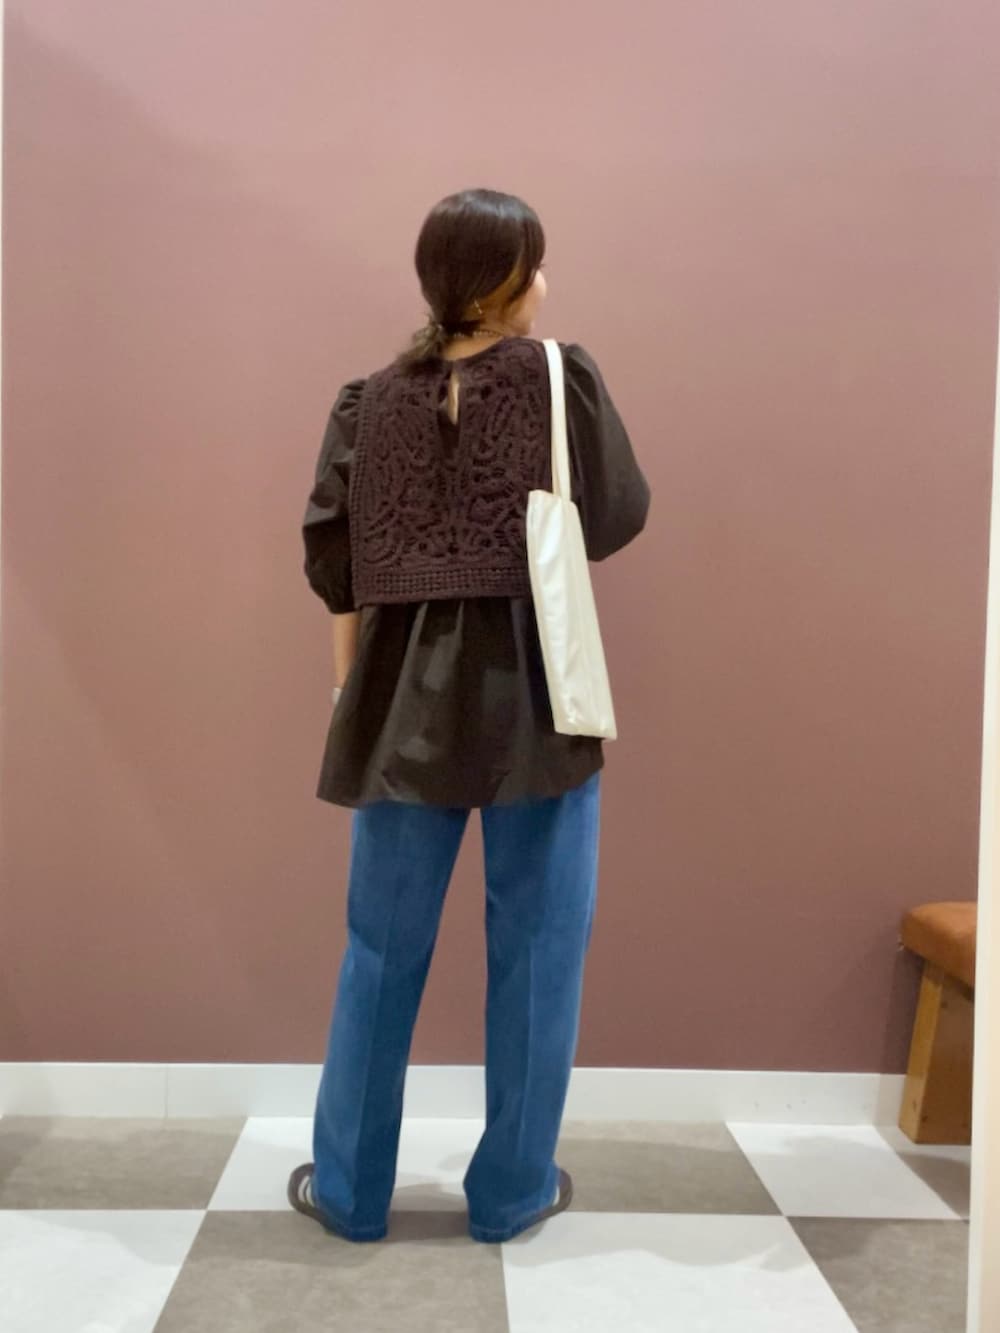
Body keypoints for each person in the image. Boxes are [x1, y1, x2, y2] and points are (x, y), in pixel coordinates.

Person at [290, 188, 650, 1245]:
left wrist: (346, 695)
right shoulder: (560, 378)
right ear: (501, 283)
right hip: (537, 701)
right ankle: (511, 1192)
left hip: (397, 704)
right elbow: (615, 518)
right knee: (540, 951)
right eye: (533, 265)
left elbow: (334, 569)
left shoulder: (366, 402)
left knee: (378, 951)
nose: (545, 283)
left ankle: (350, 1193)